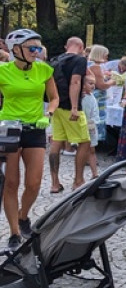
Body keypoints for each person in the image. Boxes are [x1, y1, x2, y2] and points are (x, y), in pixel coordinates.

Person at [0, 29, 58, 247]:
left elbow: (54, 98)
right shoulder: (3, 71)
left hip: (35, 127)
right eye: (32, 48)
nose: (37, 52)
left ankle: (23, 216)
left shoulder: (44, 69)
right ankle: (14, 232)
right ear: (16, 50)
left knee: (33, 183)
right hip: (9, 129)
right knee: (11, 183)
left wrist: (49, 114)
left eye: (38, 48)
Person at [48, 36, 91, 192]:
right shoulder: (79, 60)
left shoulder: (54, 60)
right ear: (81, 47)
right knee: (85, 142)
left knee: (56, 142)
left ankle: (54, 183)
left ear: (67, 46)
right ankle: (78, 181)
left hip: (56, 105)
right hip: (70, 106)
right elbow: (75, 82)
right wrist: (74, 107)